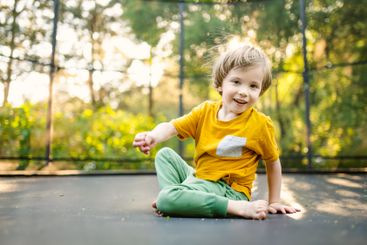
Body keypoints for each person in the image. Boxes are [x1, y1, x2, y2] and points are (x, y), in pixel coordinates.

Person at [133, 43, 300, 220]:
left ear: (260, 90)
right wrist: (152, 136)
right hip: (201, 179)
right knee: (165, 155)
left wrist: (274, 201)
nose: (244, 92)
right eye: (236, 82)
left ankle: (227, 206)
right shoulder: (205, 111)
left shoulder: (260, 124)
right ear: (220, 84)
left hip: (230, 192)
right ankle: (180, 199)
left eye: (253, 86)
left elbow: (272, 162)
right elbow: (171, 127)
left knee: (166, 199)